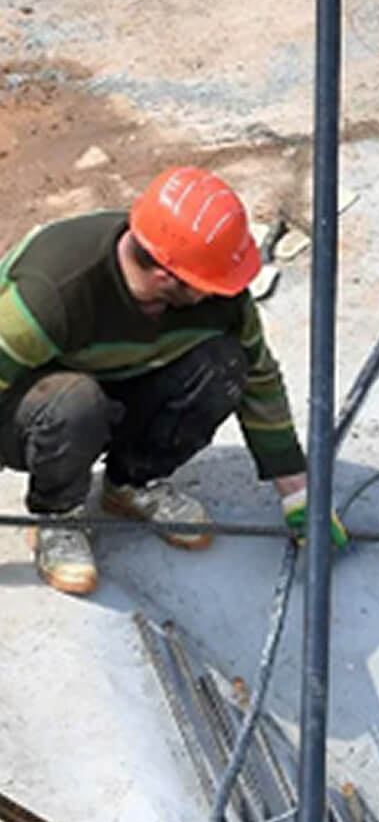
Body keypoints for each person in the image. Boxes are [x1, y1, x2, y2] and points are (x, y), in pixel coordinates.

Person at [0, 166, 342, 594]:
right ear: (166, 275)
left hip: (119, 385)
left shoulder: (217, 295)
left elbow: (259, 378)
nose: (221, 292)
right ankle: (58, 514)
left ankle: (131, 484)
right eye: (208, 284)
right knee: (74, 401)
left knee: (224, 365)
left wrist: (298, 494)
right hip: (33, 410)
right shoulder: (53, 292)